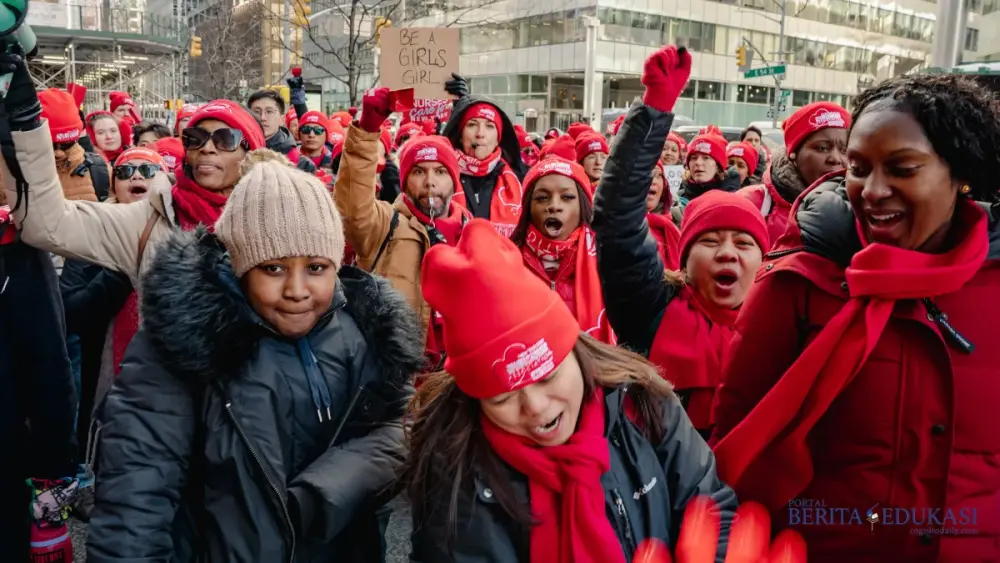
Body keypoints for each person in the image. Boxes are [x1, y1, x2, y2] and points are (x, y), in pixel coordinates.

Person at [712, 74, 1000, 563]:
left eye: (902, 168)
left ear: (961, 174)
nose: (872, 190)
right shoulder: (797, 283)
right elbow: (737, 440)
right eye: (859, 167)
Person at [87, 150, 423, 562]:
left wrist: (325, 491)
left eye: (316, 267)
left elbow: (402, 427)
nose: (297, 289)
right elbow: (136, 494)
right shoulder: (181, 342)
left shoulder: (365, 333)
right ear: (242, 265)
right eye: (274, 269)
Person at [405, 219, 736, 563]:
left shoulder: (643, 403)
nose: (534, 406)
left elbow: (711, 508)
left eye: (547, 377)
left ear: (575, 352)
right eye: (502, 397)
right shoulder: (453, 471)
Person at [594, 45, 768, 438]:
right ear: (684, 260)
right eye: (710, 241)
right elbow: (617, 220)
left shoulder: (784, 327)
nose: (727, 252)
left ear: (765, 260)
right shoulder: (651, 310)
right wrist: (654, 110)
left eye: (743, 243)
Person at [2, 89, 265, 292]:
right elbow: (48, 225)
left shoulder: (277, 216)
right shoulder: (149, 219)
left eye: (225, 139)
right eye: (195, 138)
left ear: (251, 152)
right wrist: (25, 126)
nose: (207, 148)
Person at [335, 89, 470, 367]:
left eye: (440, 171)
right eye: (419, 171)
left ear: (455, 181)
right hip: (397, 380)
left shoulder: (473, 233)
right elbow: (351, 210)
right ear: (406, 180)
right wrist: (367, 131)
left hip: (454, 382)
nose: (430, 181)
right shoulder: (385, 224)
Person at [510, 157, 614, 344]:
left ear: (582, 205)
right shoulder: (505, 263)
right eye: (542, 198)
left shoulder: (608, 261)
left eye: (567, 197)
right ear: (528, 207)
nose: (554, 206)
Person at [738, 102, 850, 249]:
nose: (835, 158)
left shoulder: (866, 210)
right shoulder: (753, 204)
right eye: (822, 148)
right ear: (794, 154)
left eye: (844, 150)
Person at [441, 75, 526, 236]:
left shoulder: (520, 178)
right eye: (472, 125)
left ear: (498, 138)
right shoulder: (440, 174)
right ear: (460, 135)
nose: (480, 134)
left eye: (489, 126)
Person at [39, 88, 110, 202]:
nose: (58, 153)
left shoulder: (101, 170)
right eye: (50, 145)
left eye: (67, 144)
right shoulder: (12, 174)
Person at [247, 88, 315, 172]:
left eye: (269, 112)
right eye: (257, 112)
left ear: (282, 120)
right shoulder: (237, 151)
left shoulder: (301, 164)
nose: (262, 118)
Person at [676, 133, 741, 207]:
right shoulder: (678, 198)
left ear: (717, 166)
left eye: (706, 158)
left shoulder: (732, 199)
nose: (698, 162)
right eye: (694, 158)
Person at [646, 161, 682, 269]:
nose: (653, 181)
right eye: (646, 174)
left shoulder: (677, 219)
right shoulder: (619, 226)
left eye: (658, 175)